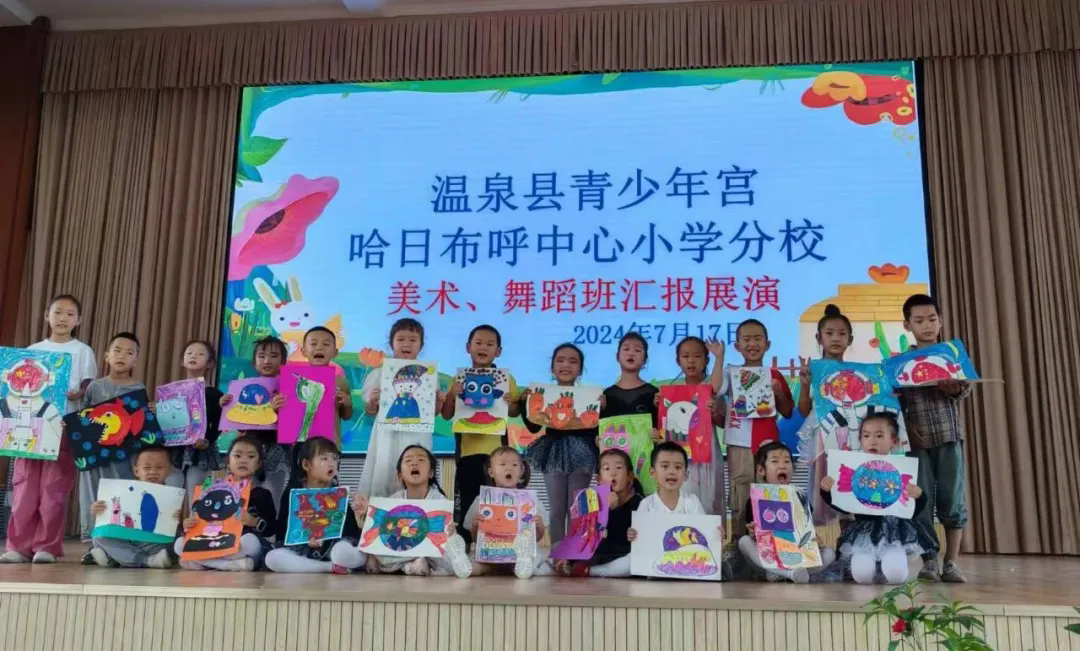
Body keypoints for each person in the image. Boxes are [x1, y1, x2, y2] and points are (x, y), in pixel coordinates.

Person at [1, 294, 97, 564]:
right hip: (30, 423)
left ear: (78, 320)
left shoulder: (82, 351)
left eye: (70, 314)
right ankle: (18, 546)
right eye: (58, 312)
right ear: (47, 316)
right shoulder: (33, 349)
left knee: (53, 488)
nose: (63, 318)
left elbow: (90, 385)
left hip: (62, 424)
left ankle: (47, 546)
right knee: (24, 486)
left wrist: (79, 392)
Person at [899, 294, 971, 583]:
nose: (927, 325)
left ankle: (951, 562)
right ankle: (929, 560)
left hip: (948, 435)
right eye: (919, 320)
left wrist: (952, 388)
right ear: (907, 325)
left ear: (940, 321)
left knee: (952, 499)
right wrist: (906, 428)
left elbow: (965, 390)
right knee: (920, 501)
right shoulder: (900, 363)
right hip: (916, 441)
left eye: (932, 319)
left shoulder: (951, 355)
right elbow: (895, 401)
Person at [821, 413, 926, 585]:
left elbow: (912, 510)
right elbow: (844, 505)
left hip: (893, 534)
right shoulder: (856, 471)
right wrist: (826, 492)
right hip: (864, 533)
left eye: (879, 435)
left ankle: (893, 565)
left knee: (896, 575)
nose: (872, 441)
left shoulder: (902, 471)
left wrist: (920, 496)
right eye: (866, 436)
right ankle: (877, 567)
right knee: (862, 577)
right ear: (860, 440)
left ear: (894, 441)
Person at [442, 325, 520, 545]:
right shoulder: (459, 379)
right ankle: (468, 546)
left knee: (496, 502)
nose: (483, 347)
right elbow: (447, 415)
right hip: (467, 454)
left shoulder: (506, 379)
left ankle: (496, 545)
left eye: (489, 344)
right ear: (468, 347)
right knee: (468, 502)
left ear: (498, 351)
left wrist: (511, 403)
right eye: (478, 343)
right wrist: (451, 395)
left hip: (497, 456)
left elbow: (514, 412)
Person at [719, 320, 794, 539]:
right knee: (740, 494)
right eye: (746, 339)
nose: (752, 344)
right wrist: (719, 358)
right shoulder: (730, 373)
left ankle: (772, 545)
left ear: (767, 344)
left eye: (758, 338)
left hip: (768, 445)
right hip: (738, 443)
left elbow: (788, 411)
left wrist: (778, 392)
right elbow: (715, 390)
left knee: (769, 495)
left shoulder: (774, 375)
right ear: (737, 345)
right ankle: (738, 544)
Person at [347, 444, 471, 577]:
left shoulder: (440, 502)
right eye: (408, 461)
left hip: (428, 554)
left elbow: (442, 536)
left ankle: (405, 566)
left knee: (447, 552)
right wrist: (367, 512)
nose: (414, 463)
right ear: (400, 475)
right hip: (401, 548)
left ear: (431, 473)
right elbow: (382, 528)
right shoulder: (394, 500)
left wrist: (450, 532)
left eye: (421, 460)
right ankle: (410, 566)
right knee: (376, 546)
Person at [520, 343, 601, 546]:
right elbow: (533, 427)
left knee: (576, 508)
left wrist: (602, 408)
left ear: (580, 370)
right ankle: (557, 553)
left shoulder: (591, 397)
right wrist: (525, 403)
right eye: (560, 360)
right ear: (552, 367)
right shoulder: (543, 394)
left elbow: (594, 427)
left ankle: (574, 553)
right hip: (552, 451)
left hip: (582, 452)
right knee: (556, 509)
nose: (566, 365)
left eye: (573, 361)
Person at [77, 331, 146, 565]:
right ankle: (93, 545)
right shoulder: (95, 387)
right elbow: (83, 417)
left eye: (129, 352)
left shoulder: (138, 388)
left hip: (123, 456)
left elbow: (140, 424)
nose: (122, 356)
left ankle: (115, 546)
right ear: (106, 355)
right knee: (92, 495)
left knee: (119, 495)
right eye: (117, 350)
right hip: (94, 454)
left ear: (136, 360)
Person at [358, 318, 446, 499]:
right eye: (400, 339)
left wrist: (439, 401)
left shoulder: (429, 375)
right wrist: (373, 401)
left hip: (417, 435)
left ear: (421, 346)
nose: (407, 344)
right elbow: (370, 411)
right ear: (392, 343)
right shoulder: (379, 374)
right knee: (385, 469)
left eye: (413, 340)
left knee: (416, 469)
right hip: (387, 435)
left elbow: (434, 413)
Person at [736, 441, 836, 583]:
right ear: (761, 470)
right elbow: (753, 536)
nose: (782, 466)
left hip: (796, 557)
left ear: (793, 469)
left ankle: (784, 574)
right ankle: (788, 574)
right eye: (775, 461)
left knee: (829, 553)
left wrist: (815, 542)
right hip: (768, 559)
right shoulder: (755, 500)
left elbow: (806, 532)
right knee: (744, 542)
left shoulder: (800, 498)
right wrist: (753, 534)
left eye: (787, 461)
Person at [175, 435, 276, 571]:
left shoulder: (262, 494)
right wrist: (189, 525)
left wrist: (255, 522)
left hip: (242, 546)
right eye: (237, 456)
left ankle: (206, 562)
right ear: (228, 461)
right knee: (179, 544)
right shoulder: (214, 493)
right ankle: (229, 565)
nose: (243, 461)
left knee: (250, 541)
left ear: (259, 464)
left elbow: (271, 529)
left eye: (251, 456)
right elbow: (202, 522)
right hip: (217, 541)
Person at [264, 438, 365, 573]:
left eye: (334, 458)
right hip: (301, 550)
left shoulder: (338, 493)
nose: (331, 463)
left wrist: (361, 513)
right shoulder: (292, 493)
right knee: (272, 558)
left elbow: (350, 533)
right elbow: (283, 532)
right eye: (324, 458)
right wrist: (305, 540)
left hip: (333, 549)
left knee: (342, 552)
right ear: (306, 465)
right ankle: (329, 567)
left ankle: (327, 564)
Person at [796, 304, 854, 525]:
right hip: (821, 435)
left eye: (842, 334)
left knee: (847, 487)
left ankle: (848, 541)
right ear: (819, 338)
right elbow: (803, 410)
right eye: (829, 333)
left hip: (848, 435)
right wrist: (805, 385)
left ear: (850, 339)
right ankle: (817, 541)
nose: (835, 338)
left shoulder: (856, 371)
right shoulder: (813, 370)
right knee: (820, 489)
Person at [221, 336, 290, 506]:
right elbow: (239, 420)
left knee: (275, 494)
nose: (267, 361)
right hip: (250, 447)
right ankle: (244, 520)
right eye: (261, 356)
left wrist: (278, 408)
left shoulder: (289, 388)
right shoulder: (245, 390)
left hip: (278, 447)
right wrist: (225, 404)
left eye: (274, 356)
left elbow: (294, 422)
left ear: (283, 361)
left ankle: (272, 523)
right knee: (247, 490)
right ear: (254, 362)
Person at [552, 448, 642, 578]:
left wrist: (615, 510)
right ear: (599, 479)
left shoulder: (638, 502)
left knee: (632, 562)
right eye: (606, 469)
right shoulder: (594, 500)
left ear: (629, 476)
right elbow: (586, 535)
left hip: (622, 553)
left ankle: (590, 571)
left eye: (618, 468)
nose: (613, 473)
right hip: (600, 552)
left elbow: (624, 537)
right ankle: (570, 565)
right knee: (557, 546)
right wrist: (605, 508)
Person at [89, 445, 183, 568]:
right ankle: (147, 560)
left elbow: (176, 528)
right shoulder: (122, 492)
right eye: (147, 468)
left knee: (177, 542)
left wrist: (177, 519)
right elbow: (108, 520)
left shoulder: (173, 496)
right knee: (99, 537)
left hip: (154, 543)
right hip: (129, 538)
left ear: (169, 470)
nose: (153, 472)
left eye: (159, 467)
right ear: (136, 471)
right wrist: (98, 511)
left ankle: (115, 557)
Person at [463, 446, 546, 579]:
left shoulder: (530, 501)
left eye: (514, 465)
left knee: (532, 559)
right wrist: (475, 526)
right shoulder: (481, 500)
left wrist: (539, 528)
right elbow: (476, 539)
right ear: (491, 472)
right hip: (490, 555)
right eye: (502, 464)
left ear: (522, 470)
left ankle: (519, 567)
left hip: (519, 556)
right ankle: (477, 568)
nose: (509, 468)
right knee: (474, 562)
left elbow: (536, 538)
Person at [668, 336, 726, 515]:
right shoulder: (671, 392)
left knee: (710, 497)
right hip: (683, 452)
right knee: (684, 495)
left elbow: (722, 422)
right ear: (678, 361)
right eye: (686, 356)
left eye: (697, 356)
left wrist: (719, 357)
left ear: (706, 360)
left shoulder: (710, 388)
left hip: (708, 451)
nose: (691, 361)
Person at [170, 340, 225, 497]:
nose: (193, 356)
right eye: (189, 353)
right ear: (182, 361)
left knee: (198, 498)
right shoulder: (172, 391)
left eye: (200, 354)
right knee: (170, 494)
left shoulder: (214, 394)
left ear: (210, 363)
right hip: (175, 452)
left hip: (202, 451)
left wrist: (208, 440)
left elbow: (218, 424)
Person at [299, 326, 353, 443]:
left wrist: (347, 404)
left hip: (331, 444)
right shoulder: (294, 380)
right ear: (303, 351)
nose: (319, 347)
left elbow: (347, 416)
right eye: (313, 344)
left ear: (335, 352)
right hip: (301, 444)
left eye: (326, 344)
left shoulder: (341, 381)